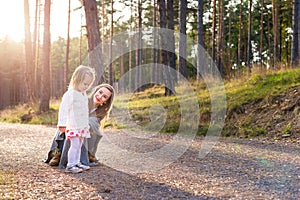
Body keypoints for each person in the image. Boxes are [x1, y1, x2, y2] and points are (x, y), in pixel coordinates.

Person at [44, 83, 115, 171]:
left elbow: (93, 125)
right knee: (69, 125)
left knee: (89, 126)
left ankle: (85, 155)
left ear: (105, 101)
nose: (100, 96)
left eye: (104, 96)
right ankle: (59, 153)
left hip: (84, 133)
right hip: (72, 128)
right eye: (100, 92)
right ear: (95, 91)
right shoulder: (83, 100)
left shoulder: (100, 112)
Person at [56, 65, 95, 173]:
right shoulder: (70, 94)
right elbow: (63, 109)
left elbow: (84, 111)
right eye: (84, 83)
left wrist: (86, 124)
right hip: (73, 125)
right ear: (76, 80)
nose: (86, 86)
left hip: (81, 126)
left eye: (88, 84)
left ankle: (77, 162)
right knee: (74, 145)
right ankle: (70, 164)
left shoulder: (83, 94)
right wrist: (62, 123)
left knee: (79, 145)